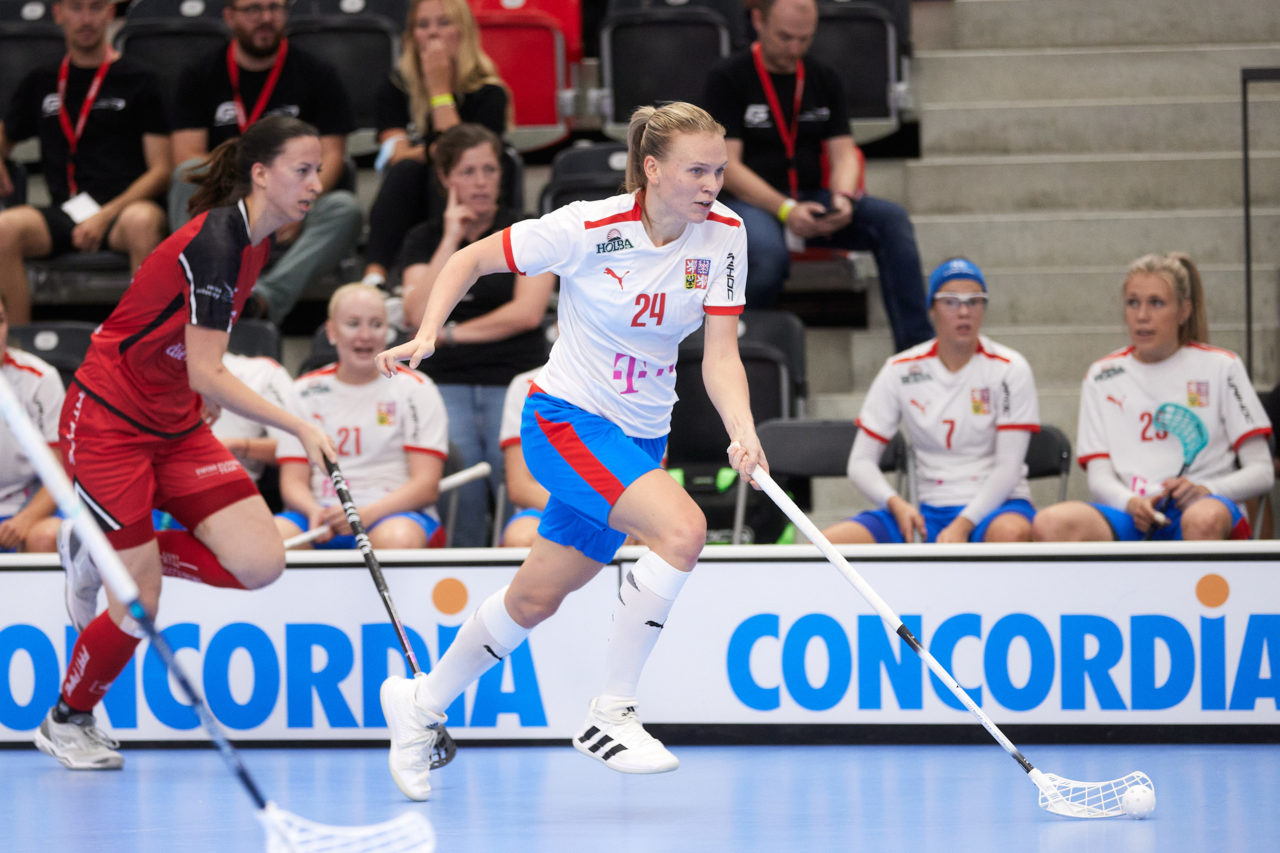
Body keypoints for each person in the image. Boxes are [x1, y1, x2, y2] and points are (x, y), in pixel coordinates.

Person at [372, 102, 766, 800]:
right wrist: (431, 331)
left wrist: (742, 426)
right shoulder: (587, 226)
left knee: (534, 597)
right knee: (684, 529)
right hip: (566, 422)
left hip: (640, 436)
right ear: (651, 168)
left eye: (720, 169)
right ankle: (611, 710)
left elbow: (721, 356)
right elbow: (469, 258)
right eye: (696, 170)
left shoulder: (726, 235)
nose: (713, 183)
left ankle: (421, 703)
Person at [33, 116, 336, 771]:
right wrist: (301, 425)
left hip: (173, 423)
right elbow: (211, 369)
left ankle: (103, 549)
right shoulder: (221, 240)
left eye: (318, 169)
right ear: (261, 173)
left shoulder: (262, 239)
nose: (317, 182)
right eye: (302, 170)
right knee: (138, 601)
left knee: (261, 561)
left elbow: (192, 354)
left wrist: (191, 389)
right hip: (109, 420)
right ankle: (68, 717)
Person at [701, 0, 932, 352]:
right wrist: (786, 209)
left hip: (811, 197)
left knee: (892, 221)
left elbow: (844, 153)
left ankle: (917, 353)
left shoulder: (822, 77)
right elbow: (728, 165)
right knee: (765, 256)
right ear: (759, 21)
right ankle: (734, 353)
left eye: (804, 39)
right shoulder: (728, 77)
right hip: (752, 205)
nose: (794, 49)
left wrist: (843, 196)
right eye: (785, 37)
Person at [1032, 252, 1274, 542]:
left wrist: (1206, 490)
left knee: (1203, 517)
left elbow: (1262, 472)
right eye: (1133, 303)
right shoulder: (1101, 375)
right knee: (1051, 522)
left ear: (1184, 311)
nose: (1142, 315)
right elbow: (1099, 478)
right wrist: (1131, 503)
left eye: (1156, 303)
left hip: (1202, 505)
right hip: (1134, 513)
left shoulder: (1222, 366)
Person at [397, 123, 552, 546]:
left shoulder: (527, 230)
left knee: (517, 483)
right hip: (446, 379)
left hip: (515, 377)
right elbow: (415, 313)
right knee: (461, 481)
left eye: (489, 169)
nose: (481, 181)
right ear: (446, 179)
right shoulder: (424, 238)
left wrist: (447, 333)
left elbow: (526, 313)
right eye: (468, 172)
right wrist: (450, 238)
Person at [168, 0, 362, 325]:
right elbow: (188, 156)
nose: (266, 18)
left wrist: (298, 202)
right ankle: (196, 287)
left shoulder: (317, 73)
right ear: (229, 16)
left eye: (275, 7)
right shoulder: (200, 74)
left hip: (295, 201)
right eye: (253, 9)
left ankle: (262, 300)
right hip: (228, 201)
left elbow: (331, 155)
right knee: (185, 176)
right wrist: (251, 203)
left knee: (345, 208)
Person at [823, 258, 1041, 544]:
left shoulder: (1010, 367)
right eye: (950, 301)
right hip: (928, 511)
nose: (964, 311)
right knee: (829, 543)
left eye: (975, 300)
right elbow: (860, 463)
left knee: (1011, 533)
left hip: (999, 506)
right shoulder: (900, 370)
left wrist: (963, 524)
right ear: (932, 308)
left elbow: (1009, 467)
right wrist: (896, 504)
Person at [0, 0, 170, 325]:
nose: (86, 19)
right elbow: (6, 134)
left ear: (111, 13)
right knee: (5, 228)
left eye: (96, 8)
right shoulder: (42, 79)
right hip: (67, 211)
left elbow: (161, 169)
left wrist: (106, 215)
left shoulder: (140, 77)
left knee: (142, 223)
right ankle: (18, 349)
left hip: (124, 209)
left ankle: (143, 347)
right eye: (76, 8)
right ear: (59, 13)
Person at [273, 283, 450, 550]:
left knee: (398, 539)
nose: (365, 336)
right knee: (269, 536)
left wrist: (364, 514)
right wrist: (314, 511)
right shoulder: (303, 392)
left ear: (388, 331)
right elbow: (292, 481)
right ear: (332, 331)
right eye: (353, 324)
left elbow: (426, 485)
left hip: (391, 514)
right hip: (321, 516)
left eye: (376, 324)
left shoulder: (416, 389)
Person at [361, 0, 511, 289]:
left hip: (470, 199)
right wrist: (431, 153)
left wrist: (439, 90)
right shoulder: (396, 87)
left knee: (448, 174)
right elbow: (393, 153)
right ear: (411, 35)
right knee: (407, 171)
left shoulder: (489, 93)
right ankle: (374, 278)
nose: (433, 34)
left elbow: (464, 156)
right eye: (423, 25)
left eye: (443, 23)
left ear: (463, 31)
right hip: (412, 199)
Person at [0, 293, 65, 553]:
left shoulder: (41, 379)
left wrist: (25, 520)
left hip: (26, 510)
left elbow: (61, 472)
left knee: (47, 536)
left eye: (0, 321)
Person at [496, 366, 546, 547]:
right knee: (521, 536)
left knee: (634, 534)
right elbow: (520, 488)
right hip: (549, 507)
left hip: (619, 505)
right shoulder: (526, 385)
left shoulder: (628, 384)